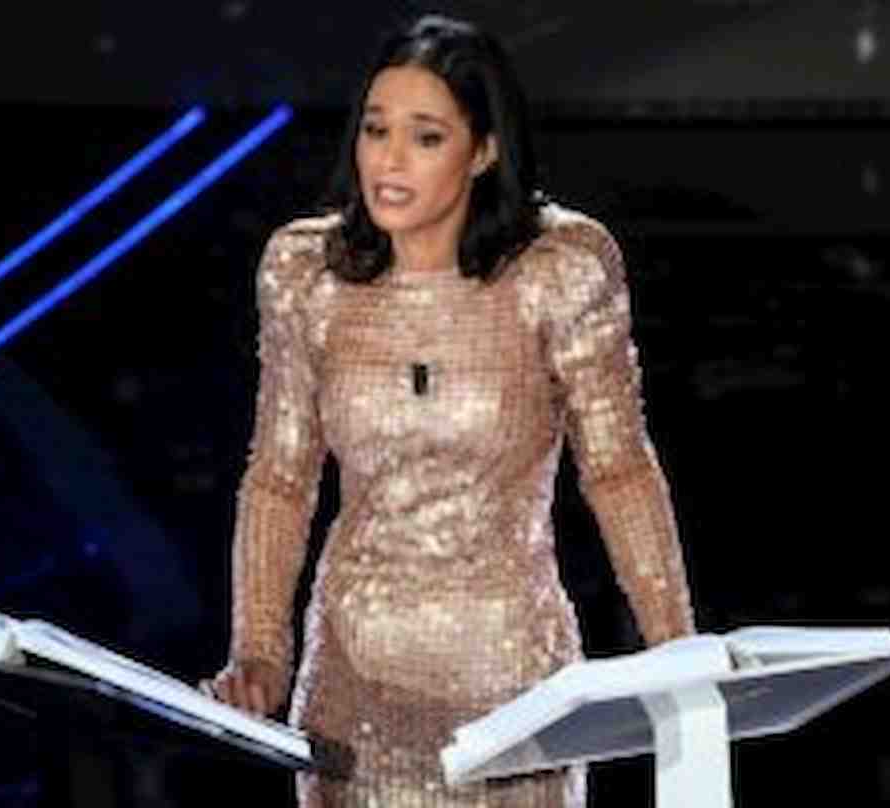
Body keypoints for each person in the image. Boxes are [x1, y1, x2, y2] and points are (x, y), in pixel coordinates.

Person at [200, 14, 695, 807]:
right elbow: (280, 479)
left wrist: (679, 654)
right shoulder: (306, 275)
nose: (389, 160)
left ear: (483, 150)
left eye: (425, 137)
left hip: (515, 704)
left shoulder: (560, 271)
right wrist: (259, 651)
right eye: (376, 130)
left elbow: (618, 469)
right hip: (352, 707)